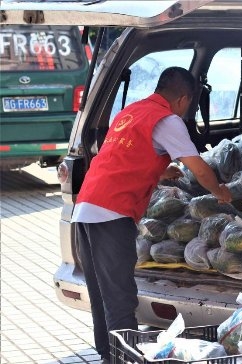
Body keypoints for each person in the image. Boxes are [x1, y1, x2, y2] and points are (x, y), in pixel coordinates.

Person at [71, 67, 231, 361]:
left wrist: (159, 170)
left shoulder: (132, 112)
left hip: (84, 209)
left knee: (101, 297)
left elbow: (124, 158)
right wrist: (220, 192)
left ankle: (109, 357)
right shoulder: (168, 120)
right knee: (120, 300)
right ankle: (126, 359)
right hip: (112, 213)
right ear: (183, 99)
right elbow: (198, 168)